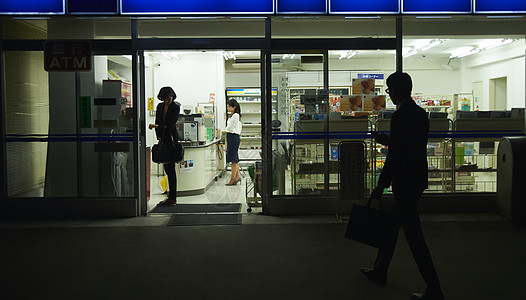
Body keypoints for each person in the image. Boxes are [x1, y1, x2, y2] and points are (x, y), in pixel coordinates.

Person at [361, 72, 444, 300]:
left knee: (415, 239)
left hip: (404, 183)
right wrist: (388, 140)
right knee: (390, 230)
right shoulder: (420, 114)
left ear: (396, 91)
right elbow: (410, 146)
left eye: (389, 90)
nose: (389, 94)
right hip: (416, 180)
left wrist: (381, 185)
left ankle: (434, 289)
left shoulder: (399, 117)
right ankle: (380, 271)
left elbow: (397, 155)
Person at [149, 87, 180, 206]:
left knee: (170, 170)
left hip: (171, 140)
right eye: (165, 99)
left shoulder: (175, 107)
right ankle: (171, 197)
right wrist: (159, 137)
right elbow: (159, 121)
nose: (167, 101)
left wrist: (157, 127)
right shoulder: (160, 107)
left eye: (169, 99)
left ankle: (172, 197)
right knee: (167, 169)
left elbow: (170, 125)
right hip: (163, 138)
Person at [225, 99, 242, 186]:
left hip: (233, 137)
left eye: (229, 107)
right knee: (235, 158)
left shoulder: (235, 115)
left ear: (234, 107)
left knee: (233, 159)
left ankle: (233, 179)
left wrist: (225, 130)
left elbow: (229, 127)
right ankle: (237, 177)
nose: (227, 108)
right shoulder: (233, 115)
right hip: (233, 137)